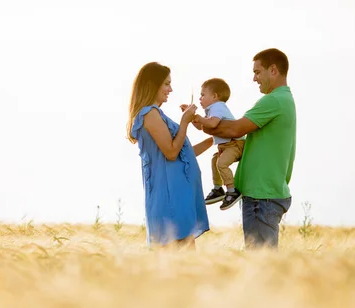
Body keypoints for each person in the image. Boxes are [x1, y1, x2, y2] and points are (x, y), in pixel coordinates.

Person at [202, 48, 296, 249]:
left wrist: (203, 123)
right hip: (266, 193)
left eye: (257, 72)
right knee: (263, 264)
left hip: (262, 196)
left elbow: (235, 128)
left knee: (260, 265)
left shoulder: (274, 100)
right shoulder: (284, 99)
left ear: (273, 70)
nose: (254, 78)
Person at [127, 62, 212, 248]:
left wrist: (213, 141)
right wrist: (184, 122)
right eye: (166, 84)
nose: (170, 89)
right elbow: (172, 152)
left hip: (178, 197)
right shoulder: (149, 114)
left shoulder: (157, 114)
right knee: (178, 262)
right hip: (169, 199)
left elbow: (184, 154)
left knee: (185, 265)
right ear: (152, 85)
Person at [192, 78, 245, 210]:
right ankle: (218, 188)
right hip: (226, 146)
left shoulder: (218, 107)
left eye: (203, 95)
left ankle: (232, 191)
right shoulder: (212, 110)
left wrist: (199, 118)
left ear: (215, 96)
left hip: (235, 144)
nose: (200, 98)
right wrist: (193, 118)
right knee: (215, 160)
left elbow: (212, 124)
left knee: (221, 163)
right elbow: (202, 127)